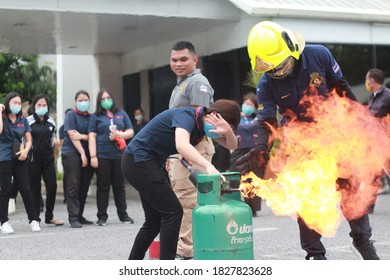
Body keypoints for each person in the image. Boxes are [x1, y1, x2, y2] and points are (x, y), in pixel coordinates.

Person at [236, 21, 380, 260]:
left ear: (292, 50)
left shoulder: (319, 55)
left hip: (335, 134)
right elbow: (266, 122)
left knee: (350, 188)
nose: (277, 72)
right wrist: (261, 147)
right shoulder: (265, 85)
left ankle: (362, 241)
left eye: (281, 66)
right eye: (271, 69)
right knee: (306, 197)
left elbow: (342, 89)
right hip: (300, 144)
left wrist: (359, 121)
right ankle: (315, 255)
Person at [121, 99, 240, 260]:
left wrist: (227, 131)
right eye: (220, 127)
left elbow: (231, 144)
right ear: (213, 116)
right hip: (138, 161)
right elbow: (181, 145)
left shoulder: (202, 127)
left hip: (148, 163)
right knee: (173, 212)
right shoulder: (187, 116)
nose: (219, 133)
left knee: (154, 221)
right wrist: (207, 165)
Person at [167, 41, 215, 260]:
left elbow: (199, 122)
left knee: (187, 199)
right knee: (180, 197)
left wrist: (183, 155)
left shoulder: (197, 82)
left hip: (194, 148)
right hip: (181, 150)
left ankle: (186, 252)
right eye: (174, 60)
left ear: (195, 59)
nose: (178, 63)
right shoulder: (181, 84)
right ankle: (185, 248)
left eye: (183, 59)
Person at [88, 89, 134, 226]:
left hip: (119, 155)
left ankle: (123, 214)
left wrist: (119, 135)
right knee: (103, 186)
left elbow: (130, 132)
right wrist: (93, 156)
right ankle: (102, 216)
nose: (106, 100)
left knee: (119, 186)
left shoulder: (121, 114)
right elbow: (92, 136)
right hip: (102, 155)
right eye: (103, 99)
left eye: (108, 97)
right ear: (99, 102)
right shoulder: (95, 116)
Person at [0, 91, 41, 234]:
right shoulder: (2, 118)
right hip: (4, 157)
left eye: (19, 103)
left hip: (20, 156)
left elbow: (29, 139)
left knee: (26, 189)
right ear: (7, 103)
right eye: (14, 103)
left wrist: (26, 151)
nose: (17, 105)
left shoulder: (22, 120)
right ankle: (4, 221)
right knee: (5, 190)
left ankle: (33, 219)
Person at [27, 94, 64, 226]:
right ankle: (35, 218)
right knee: (35, 190)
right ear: (34, 106)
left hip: (48, 160)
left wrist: (57, 145)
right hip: (33, 160)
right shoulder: (28, 121)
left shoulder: (51, 122)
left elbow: (52, 139)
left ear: (47, 107)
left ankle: (49, 216)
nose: (42, 107)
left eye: (44, 105)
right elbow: (24, 140)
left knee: (52, 187)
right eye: (39, 105)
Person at [62, 90, 95, 228]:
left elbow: (93, 135)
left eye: (85, 100)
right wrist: (82, 153)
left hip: (88, 153)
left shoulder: (92, 117)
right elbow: (72, 136)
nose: (83, 102)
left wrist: (83, 137)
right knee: (73, 185)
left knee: (84, 186)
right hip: (72, 153)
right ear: (75, 102)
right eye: (80, 100)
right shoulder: (71, 115)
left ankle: (80, 215)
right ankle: (73, 217)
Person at [230, 92, 262, 217]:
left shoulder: (258, 119)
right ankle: (237, 204)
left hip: (254, 150)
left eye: (250, 104)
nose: (247, 106)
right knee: (237, 178)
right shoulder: (236, 118)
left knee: (254, 178)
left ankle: (252, 207)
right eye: (246, 103)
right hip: (239, 149)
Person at [364, 68, 390, 212]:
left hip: (385, 141)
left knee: (378, 172)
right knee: (372, 173)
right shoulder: (372, 97)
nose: (366, 82)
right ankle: (369, 206)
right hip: (374, 142)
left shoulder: (387, 96)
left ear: (372, 80)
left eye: (367, 79)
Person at [58, 108, 72, 203]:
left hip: (77, 154)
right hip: (66, 153)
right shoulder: (62, 128)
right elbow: (62, 142)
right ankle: (66, 197)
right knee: (67, 176)